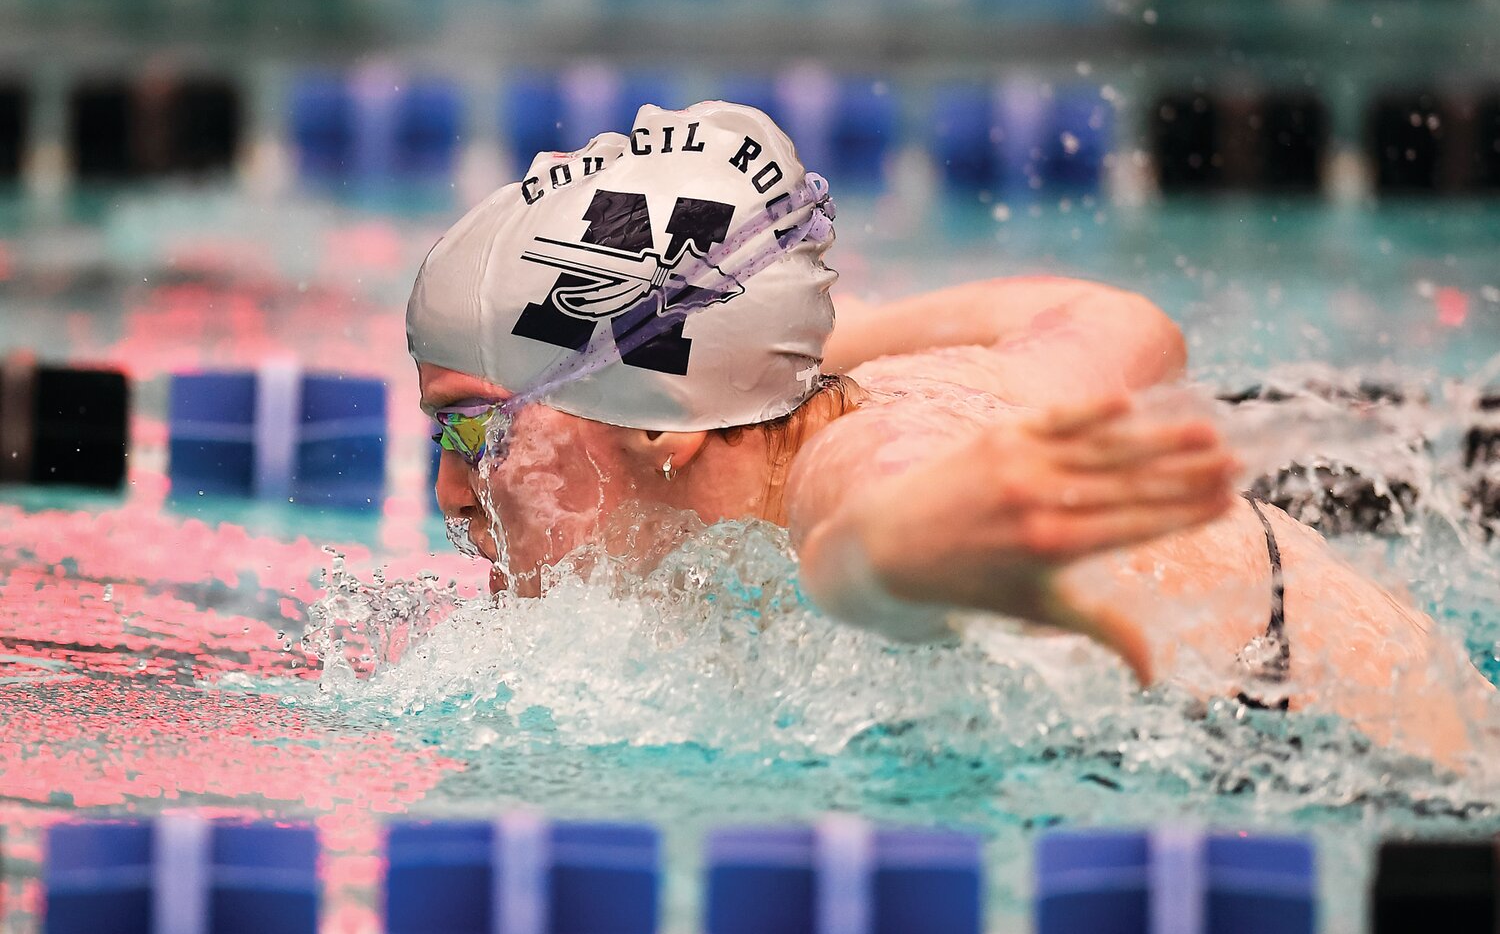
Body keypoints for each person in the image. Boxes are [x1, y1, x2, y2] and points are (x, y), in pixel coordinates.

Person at [408, 101, 1492, 769]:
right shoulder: (937, 387)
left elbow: (879, 534)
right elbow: (1125, 327)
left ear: (663, 429)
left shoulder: (862, 465)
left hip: (1395, 805)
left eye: (472, 432)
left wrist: (912, 547)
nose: (452, 496)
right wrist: (760, 339)